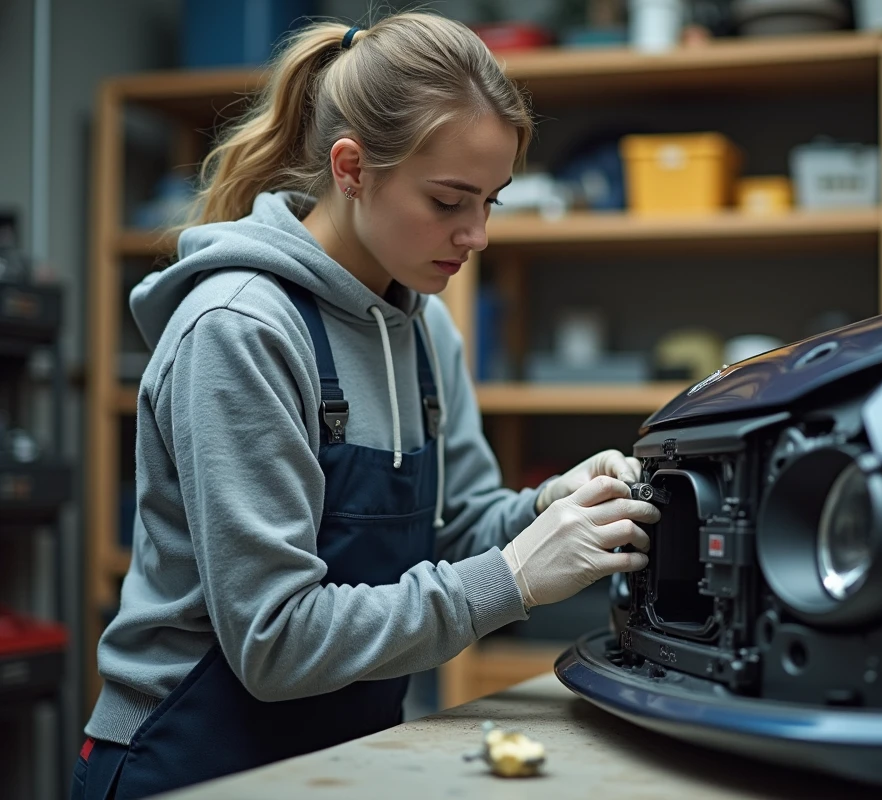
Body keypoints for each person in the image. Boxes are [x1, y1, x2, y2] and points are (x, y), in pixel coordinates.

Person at [73, 12, 658, 799]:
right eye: (450, 200)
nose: (477, 234)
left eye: (491, 200)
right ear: (351, 169)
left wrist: (552, 508)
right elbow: (275, 639)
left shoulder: (425, 327)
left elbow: (453, 533)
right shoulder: (240, 330)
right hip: (189, 757)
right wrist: (515, 576)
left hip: (342, 755)